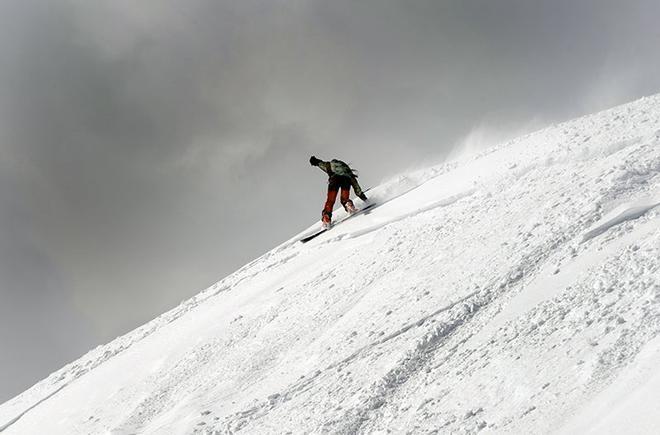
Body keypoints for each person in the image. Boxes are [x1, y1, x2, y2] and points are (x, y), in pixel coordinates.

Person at [309, 156, 368, 227]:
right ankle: (348, 204)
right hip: (346, 180)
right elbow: (356, 187)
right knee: (344, 199)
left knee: (330, 201)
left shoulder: (330, 165)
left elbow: (321, 164)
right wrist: (364, 198)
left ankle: (326, 217)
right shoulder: (348, 172)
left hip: (334, 180)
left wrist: (316, 161)